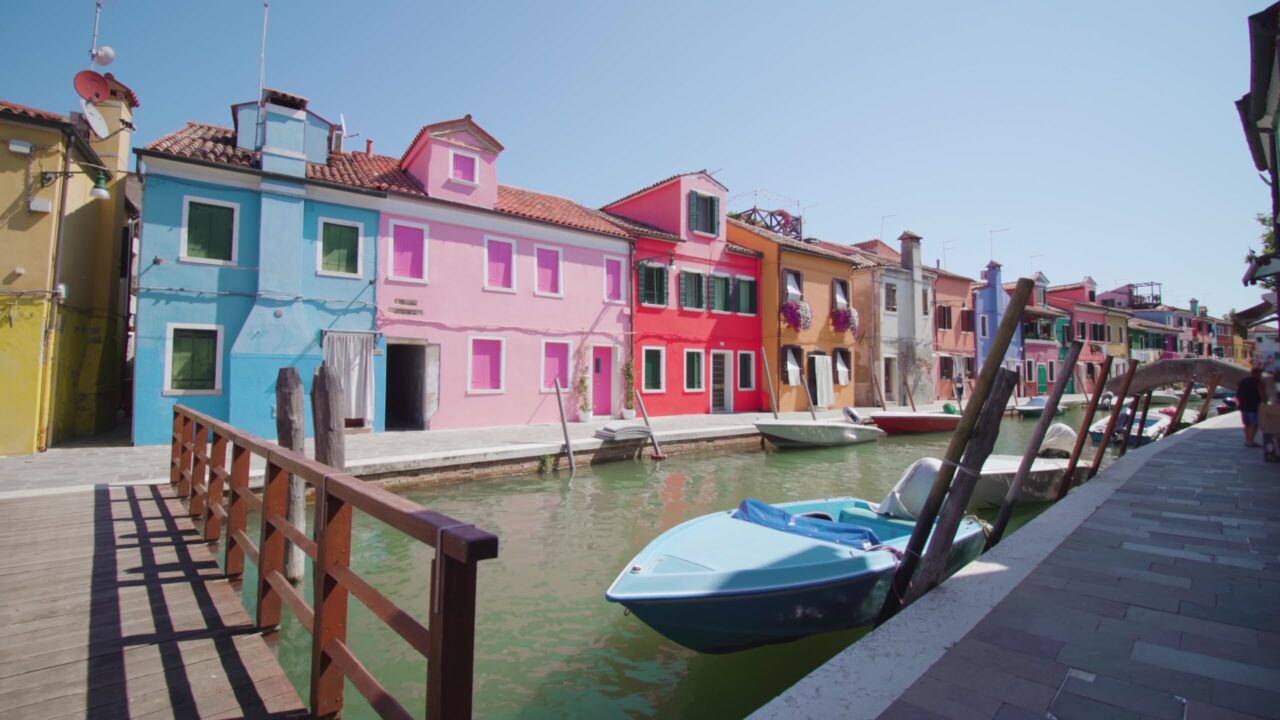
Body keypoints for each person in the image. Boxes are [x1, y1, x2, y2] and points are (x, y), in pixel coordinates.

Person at [1237, 365, 1264, 448]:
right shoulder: (1259, 382)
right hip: (1254, 406)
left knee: (1247, 424)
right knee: (1254, 424)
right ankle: (1251, 441)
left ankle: (1247, 440)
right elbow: (1262, 394)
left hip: (1243, 406)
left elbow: (1238, 393)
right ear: (1258, 374)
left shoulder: (1243, 381)